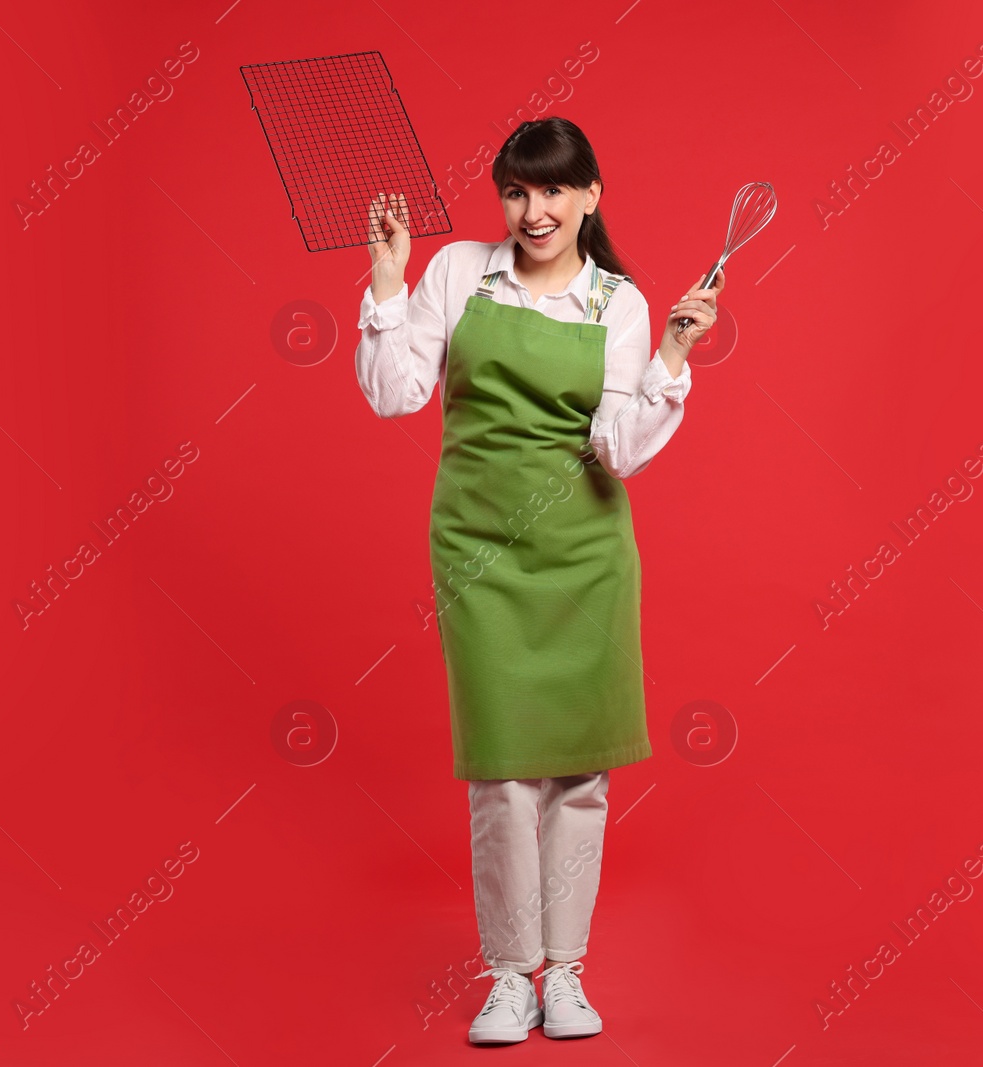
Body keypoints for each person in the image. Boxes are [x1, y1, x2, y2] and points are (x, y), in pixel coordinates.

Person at [353, 117, 722, 1044]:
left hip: (584, 558)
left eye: (554, 190)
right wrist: (389, 282)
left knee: (579, 774)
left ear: (591, 195)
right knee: (503, 776)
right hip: (478, 552)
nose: (534, 210)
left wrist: (672, 357)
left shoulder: (622, 306)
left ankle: (567, 973)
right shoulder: (457, 272)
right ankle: (510, 975)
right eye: (517, 191)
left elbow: (617, 450)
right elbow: (395, 392)